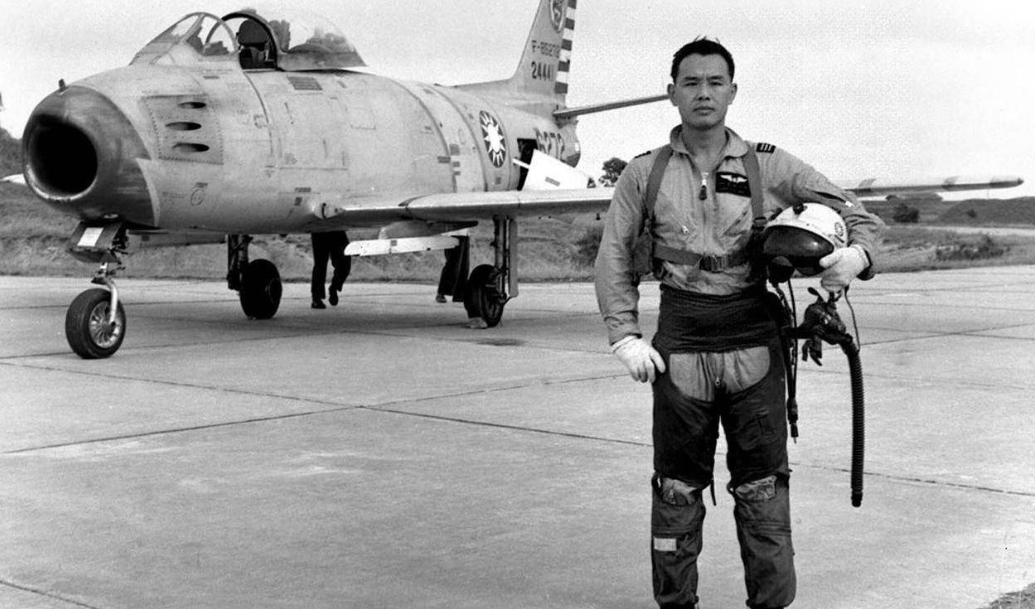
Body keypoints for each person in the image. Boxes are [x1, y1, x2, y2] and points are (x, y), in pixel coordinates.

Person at [594, 38, 884, 609]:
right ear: (671, 92)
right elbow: (614, 256)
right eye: (691, 83)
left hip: (753, 340)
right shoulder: (644, 173)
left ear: (732, 91)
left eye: (715, 82)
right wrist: (623, 335)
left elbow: (855, 211)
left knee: (762, 488)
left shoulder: (769, 165)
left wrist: (858, 255)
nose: (703, 93)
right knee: (675, 490)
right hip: (680, 343)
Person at [310, 230, 351, 309]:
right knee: (320, 265)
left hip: (337, 229)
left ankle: (334, 287)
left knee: (344, 262)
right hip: (320, 230)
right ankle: (316, 298)